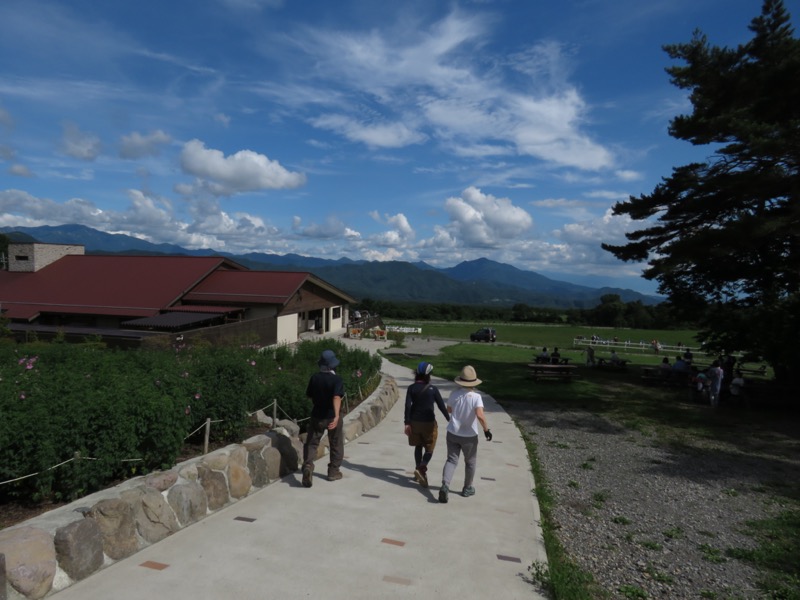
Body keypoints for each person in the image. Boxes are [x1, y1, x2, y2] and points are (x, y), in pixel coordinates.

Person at [439, 365, 492, 503]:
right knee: (470, 462)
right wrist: (486, 430)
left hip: (452, 433)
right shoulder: (476, 397)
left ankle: (445, 485)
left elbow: (449, 409)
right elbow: (480, 415)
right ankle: (467, 488)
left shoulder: (454, 394)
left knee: (451, 460)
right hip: (469, 436)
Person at [301, 349, 345, 487]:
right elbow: (337, 397)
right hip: (332, 416)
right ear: (333, 365)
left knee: (312, 442)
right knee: (336, 443)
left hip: (317, 415)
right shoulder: (337, 379)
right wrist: (337, 416)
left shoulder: (315, 378)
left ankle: (308, 465)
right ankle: (333, 471)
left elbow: (309, 395)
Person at [404, 362, 450, 488]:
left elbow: (408, 406)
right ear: (428, 375)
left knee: (418, 446)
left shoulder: (411, 388)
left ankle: (418, 469)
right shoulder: (433, 389)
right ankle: (422, 468)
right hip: (429, 423)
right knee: (429, 447)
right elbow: (441, 406)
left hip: (414, 422)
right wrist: (449, 420)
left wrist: (407, 423)